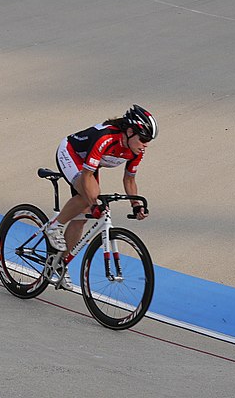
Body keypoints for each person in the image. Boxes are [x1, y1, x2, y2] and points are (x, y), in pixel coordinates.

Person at [45, 105, 158, 290]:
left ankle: (59, 264)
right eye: (143, 139)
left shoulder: (136, 150)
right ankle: (54, 226)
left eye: (148, 140)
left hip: (90, 164)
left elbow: (129, 179)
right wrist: (93, 203)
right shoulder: (106, 138)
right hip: (71, 152)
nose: (145, 144)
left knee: (82, 218)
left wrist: (136, 204)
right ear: (129, 131)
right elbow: (87, 177)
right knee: (88, 196)